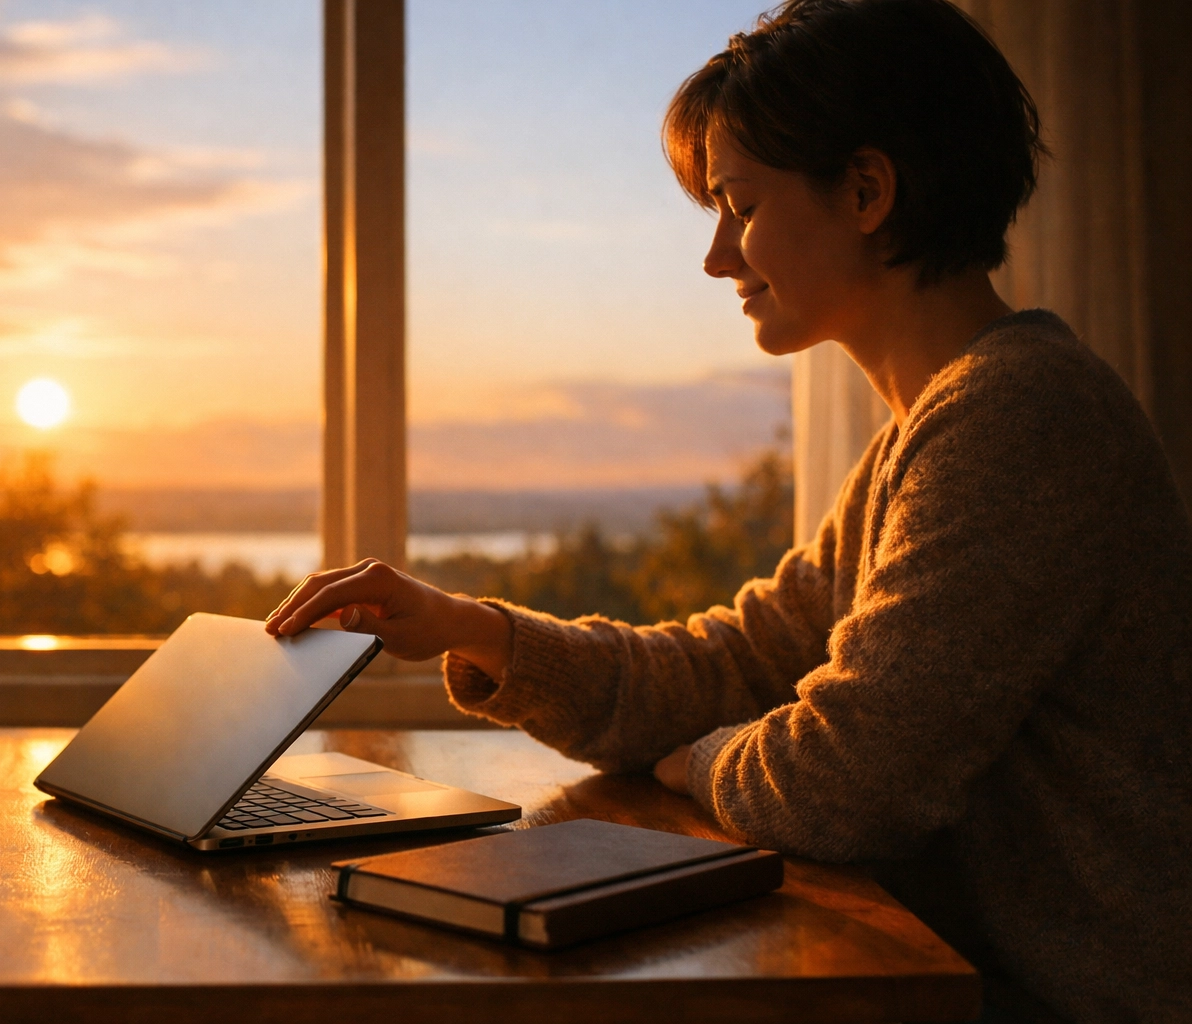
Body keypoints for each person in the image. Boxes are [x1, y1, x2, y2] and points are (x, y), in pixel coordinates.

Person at [264, 1, 1192, 1020]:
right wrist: (473, 628)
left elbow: (844, 780)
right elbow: (733, 666)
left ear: (868, 190)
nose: (716, 258)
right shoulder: (933, 431)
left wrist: (694, 760)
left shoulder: (1021, 417)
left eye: (739, 206)